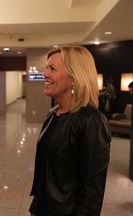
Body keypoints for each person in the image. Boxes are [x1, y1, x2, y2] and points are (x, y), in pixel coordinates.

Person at [29, 45, 111, 216]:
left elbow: (92, 193)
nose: (45, 74)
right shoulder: (53, 113)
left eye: (52, 68)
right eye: (46, 68)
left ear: (74, 77)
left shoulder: (91, 121)